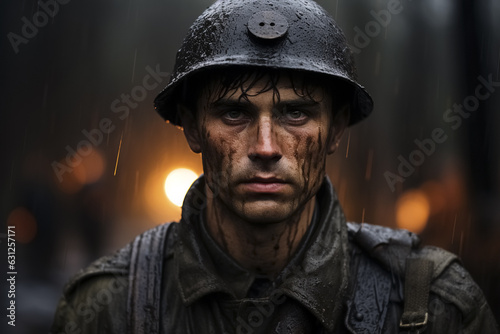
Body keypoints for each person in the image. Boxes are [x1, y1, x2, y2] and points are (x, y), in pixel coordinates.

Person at [51, 0, 499, 333]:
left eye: (295, 114)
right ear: (191, 128)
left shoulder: (433, 305)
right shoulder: (109, 308)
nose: (265, 147)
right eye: (233, 114)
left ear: (336, 129)